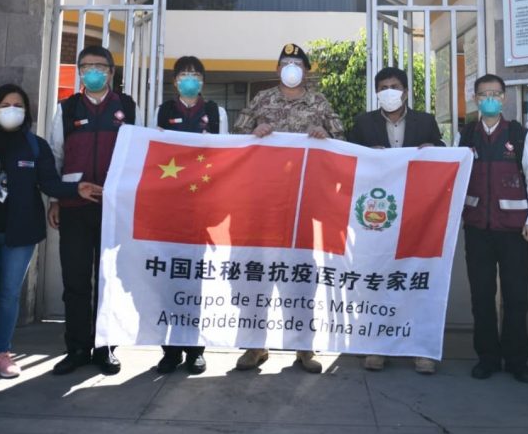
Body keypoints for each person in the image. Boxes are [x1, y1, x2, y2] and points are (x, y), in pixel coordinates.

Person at [0, 84, 103, 384]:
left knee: (8, 296)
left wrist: (75, 189)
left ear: (26, 111)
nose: (11, 110)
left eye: (18, 105)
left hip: (21, 232)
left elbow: (50, 184)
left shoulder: (35, 146)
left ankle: (2, 354)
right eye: (5, 104)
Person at [231, 42, 343, 374]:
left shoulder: (319, 101)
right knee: (257, 275)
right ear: (277, 69)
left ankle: (304, 349)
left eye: (296, 62)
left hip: (305, 203)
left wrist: (325, 134)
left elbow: (341, 140)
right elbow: (236, 137)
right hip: (263, 201)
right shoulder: (262, 99)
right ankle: (254, 346)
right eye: (285, 62)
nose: (290, 67)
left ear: (306, 69)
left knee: (302, 276)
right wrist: (254, 132)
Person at [347, 66, 444, 374]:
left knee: (413, 276)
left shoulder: (424, 121)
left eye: (395, 86)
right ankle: (376, 346)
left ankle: (419, 349)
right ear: (377, 92)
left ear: (405, 91)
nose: (390, 91)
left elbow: (442, 152)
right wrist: (367, 153)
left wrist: (433, 149)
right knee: (376, 277)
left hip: (417, 212)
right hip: (376, 214)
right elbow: (348, 156)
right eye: (384, 86)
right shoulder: (363, 123)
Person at [47, 45, 136, 376]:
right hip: (74, 207)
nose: (93, 72)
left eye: (100, 66)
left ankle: (106, 348)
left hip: (114, 211)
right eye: (86, 67)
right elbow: (56, 156)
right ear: (80, 73)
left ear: (112, 72)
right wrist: (55, 200)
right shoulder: (67, 109)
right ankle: (77, 347)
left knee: (108, 279)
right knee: (75, 280)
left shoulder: (127, 107)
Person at [458, 73, 528, 384]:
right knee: (482, 296)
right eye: (483, 94)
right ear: (476, 99)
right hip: (478, 228)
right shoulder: (466, 135)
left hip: (514, 230)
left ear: (504, 98)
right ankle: (488, 358)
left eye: (495, 93)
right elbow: (456, 180)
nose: (489, 99)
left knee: (516, 297)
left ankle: (517, 360)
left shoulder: (520, 134)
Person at [152, 55, 223, 375]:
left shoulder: (215, 113)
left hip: (203, 206)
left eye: (195, 74)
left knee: (197, 279)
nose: (189, 79)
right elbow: (154, 153)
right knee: (168, 277)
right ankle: (169, 350)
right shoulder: (164, 111)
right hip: (170, 206)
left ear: (203, 81)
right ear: (175, 81)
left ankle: (195, 348)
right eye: (184, 74)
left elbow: (225, 158)